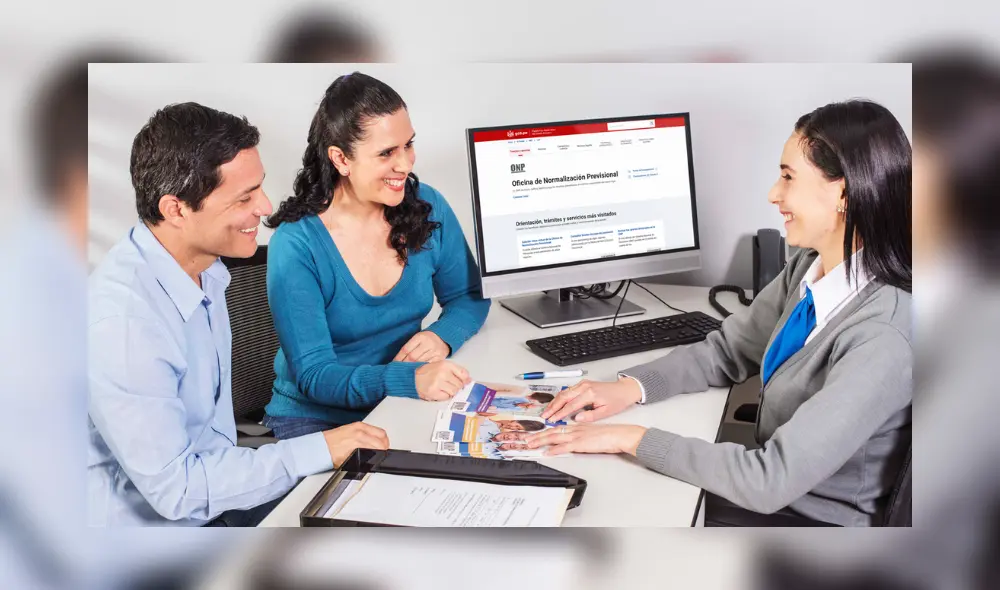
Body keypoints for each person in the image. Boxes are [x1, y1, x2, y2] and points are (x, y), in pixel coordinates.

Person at [530, 99, 912, 527]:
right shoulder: (810, 266)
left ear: (843, 191)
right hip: (772, 494)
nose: (773, 194)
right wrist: (631, 387)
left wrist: (633, 438)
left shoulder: (884, 335)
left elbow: (770, 479)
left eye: (788, 177)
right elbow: (727, 350)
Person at [88, 102, 389, 527]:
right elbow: (179, 493)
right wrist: (320, 449)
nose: (265, 207)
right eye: (244, 197)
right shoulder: (124, 326)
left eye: (259, 188)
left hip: (221, 491)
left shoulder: (206, 271)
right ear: (176, 209)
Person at [262, 72, 490, 438]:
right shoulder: (297, 244)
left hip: (400, 406)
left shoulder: (427, 206)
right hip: (316, 422)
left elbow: (469, 295)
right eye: (386, 153)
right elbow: (315, 376)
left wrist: (442, 336)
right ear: (341, 159)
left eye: (408, 145)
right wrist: (409, 379)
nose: (405, 164)